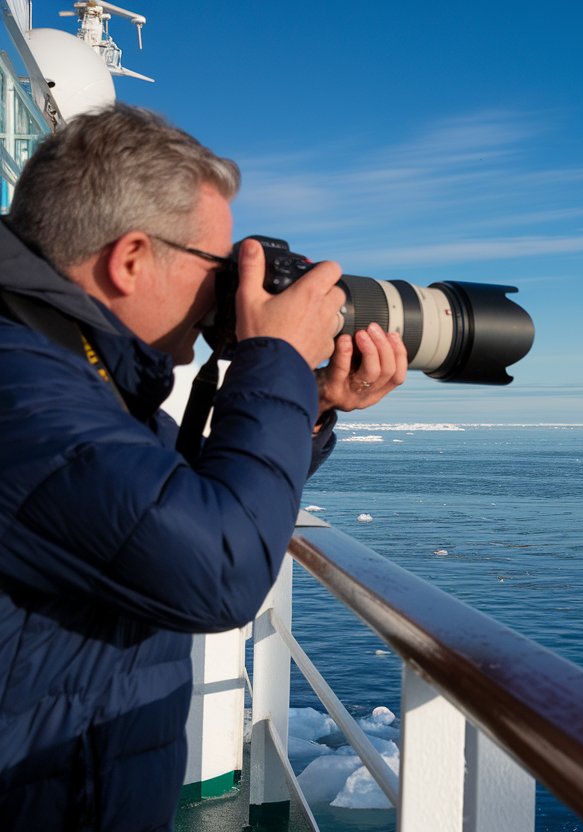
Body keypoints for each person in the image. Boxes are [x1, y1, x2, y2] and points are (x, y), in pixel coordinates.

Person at [0, 103, 407, 829]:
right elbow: (219, 568)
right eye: (218, 268)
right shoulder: (23, 389)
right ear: (129, 259)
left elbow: (168, 505)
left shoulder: (75, 373)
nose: (230, 294)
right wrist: (274, 358)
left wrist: (305, 401)